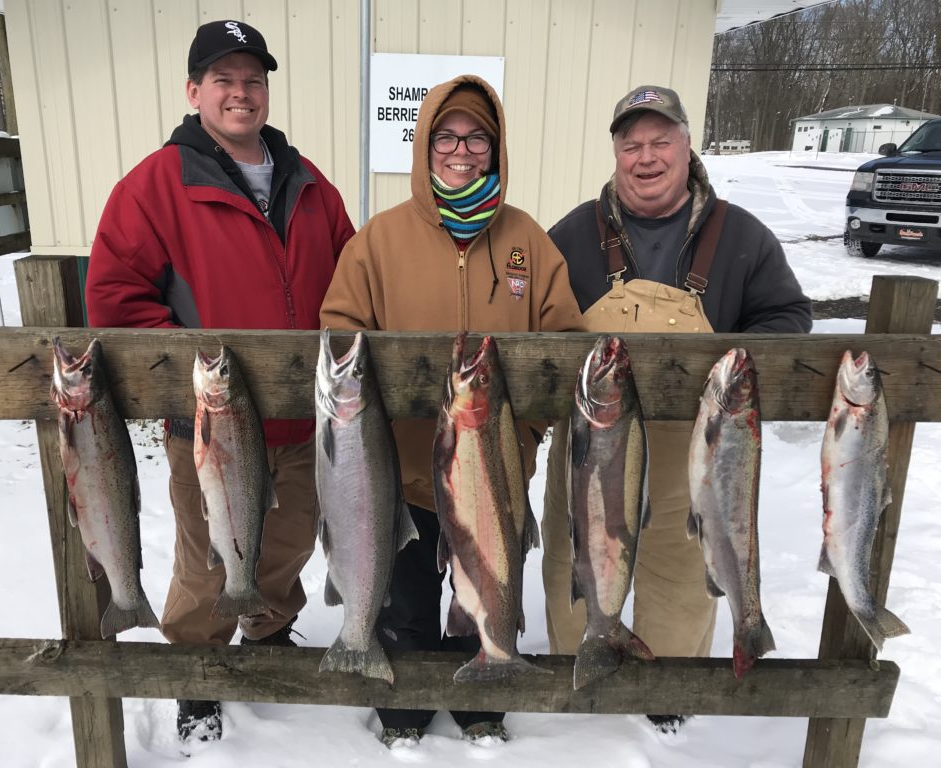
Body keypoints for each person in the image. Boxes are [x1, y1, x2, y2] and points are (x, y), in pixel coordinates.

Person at [84, 19, 354, 745]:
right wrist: (201, 372)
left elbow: (349, 279)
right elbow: (115, 298)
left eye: (254, 80)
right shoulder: (153, 187)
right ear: (194, 91)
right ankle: (194, 670)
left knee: (287, 544)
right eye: (224, 80)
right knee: (206, 560)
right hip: (211, 426)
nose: (241, 93)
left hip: (303, 422)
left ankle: (267, 635)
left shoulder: (309, 183)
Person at [320, 75, 585, 748]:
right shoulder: (379, 240)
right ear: (424, 143)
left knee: (486, 594)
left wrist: (524, 432)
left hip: (492, 470)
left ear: (495, 149)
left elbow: (561, 348)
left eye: (477, 137)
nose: (461, 150)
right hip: (401, 470)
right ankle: (405, 707)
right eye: (447, 136)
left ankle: (481, 701)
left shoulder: (527, 241)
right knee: (404, 598)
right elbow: (340, 326)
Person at [540, 84, 813, 732]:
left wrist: (733, 373)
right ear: (615, 153)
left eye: (661, 141)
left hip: (692, 457)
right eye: (631, 144)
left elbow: (789, 317)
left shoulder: (742, 237)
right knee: (572, 563)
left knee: (683, 573)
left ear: (688, 146)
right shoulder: (573, 234)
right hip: (588, 446)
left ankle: (667, 701)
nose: (646, 157)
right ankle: (576, 689)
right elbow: (531, 323)